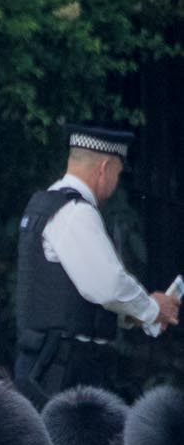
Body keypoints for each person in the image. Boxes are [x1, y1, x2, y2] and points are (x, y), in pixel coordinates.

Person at [13, 125, 179, 403]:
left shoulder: (47, 204)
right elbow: (108, 286)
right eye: (117, 173)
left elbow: (75, 296)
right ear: (104, 168)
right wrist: (151, 309)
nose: (115, 183)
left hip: (45, 363)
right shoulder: (75, 213)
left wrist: (134, 315)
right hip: (64, 370)